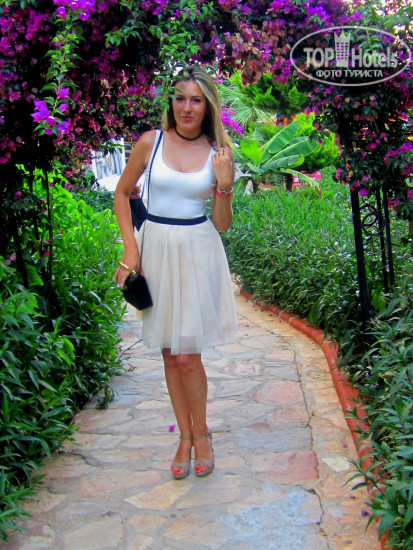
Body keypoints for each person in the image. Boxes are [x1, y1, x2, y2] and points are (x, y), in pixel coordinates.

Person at [113, 64, 237, 479]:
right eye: (180, 98)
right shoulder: (151, 142)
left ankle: (202, 434)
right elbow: (122, 193)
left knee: (187, 355)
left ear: (208, 106)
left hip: (198, 250)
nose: (187, 107)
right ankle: (184, 436)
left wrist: (225, 183)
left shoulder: (219, 152)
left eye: (196, 100)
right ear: (172, 102)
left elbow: (222, 224)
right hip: (157, 248)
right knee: (170, 351)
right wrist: (131, 248)